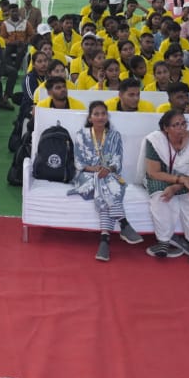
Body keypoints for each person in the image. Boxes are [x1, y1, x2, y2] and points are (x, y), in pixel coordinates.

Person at [68, 102, 143, 261]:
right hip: (86, 176)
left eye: (103, 113)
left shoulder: (115, 135)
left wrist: (107, 169)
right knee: (105, 184)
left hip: (108, 175)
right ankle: (123, 223)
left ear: (107, 116)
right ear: (90, 118)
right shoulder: (81, 135)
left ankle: (105, 239)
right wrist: (94, 169)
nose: (100, 117)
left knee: (104, 186)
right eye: (96, 114)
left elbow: (117, 160)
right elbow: (78, 162)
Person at [144, 110, 189, 264]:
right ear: (166, 128)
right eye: (176, 125)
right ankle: (163, 241)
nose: (182, 128)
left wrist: (176, 186)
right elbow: (153, 172)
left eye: (184, 123)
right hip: (162, 177)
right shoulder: (155, 141)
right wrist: (179, 180)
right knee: (160, 197)